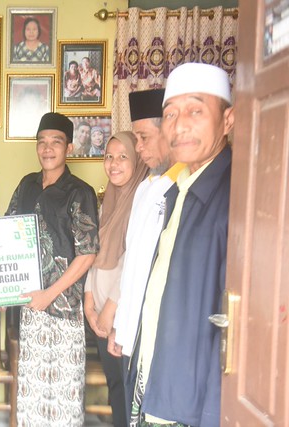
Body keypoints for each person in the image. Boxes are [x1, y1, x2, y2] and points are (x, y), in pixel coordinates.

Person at [128, 63, 234, 426]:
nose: (179, 125)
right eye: (170, 114)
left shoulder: (235, 195)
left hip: (190, 406)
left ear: (228, 120)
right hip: (156, 383)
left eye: (195, 111)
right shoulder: (179, 190)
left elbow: (234, 326)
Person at [6, 112, 99, 426]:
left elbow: (87, 253)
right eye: (42, 142)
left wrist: (50, 294)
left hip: (64, 308)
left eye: (56, 142)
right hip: (30, 303)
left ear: (69, 148)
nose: (47, 148)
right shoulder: (26, 185)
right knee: (32, 391)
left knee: (63, 393)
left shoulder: (79, 192)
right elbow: (8, 233)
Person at [110, 89, 186, 419]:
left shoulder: (183, 188)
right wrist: (121, 327)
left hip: (159, 337)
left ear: (168, 131)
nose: (138, 148)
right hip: (132, 332)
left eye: (143, 138)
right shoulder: (146, 187)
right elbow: (133, 267)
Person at [83, 131, 148, 427]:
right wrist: (89, 302)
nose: (114, 163)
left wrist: (111, 310)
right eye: (109, 156)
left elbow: (133, 262)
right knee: (116, 389)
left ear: (137, 160)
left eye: (123, 156)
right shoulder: (107, 200)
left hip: (121, 316)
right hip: (101, 316)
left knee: (127, 392)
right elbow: (92, 252)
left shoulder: (143, 201)